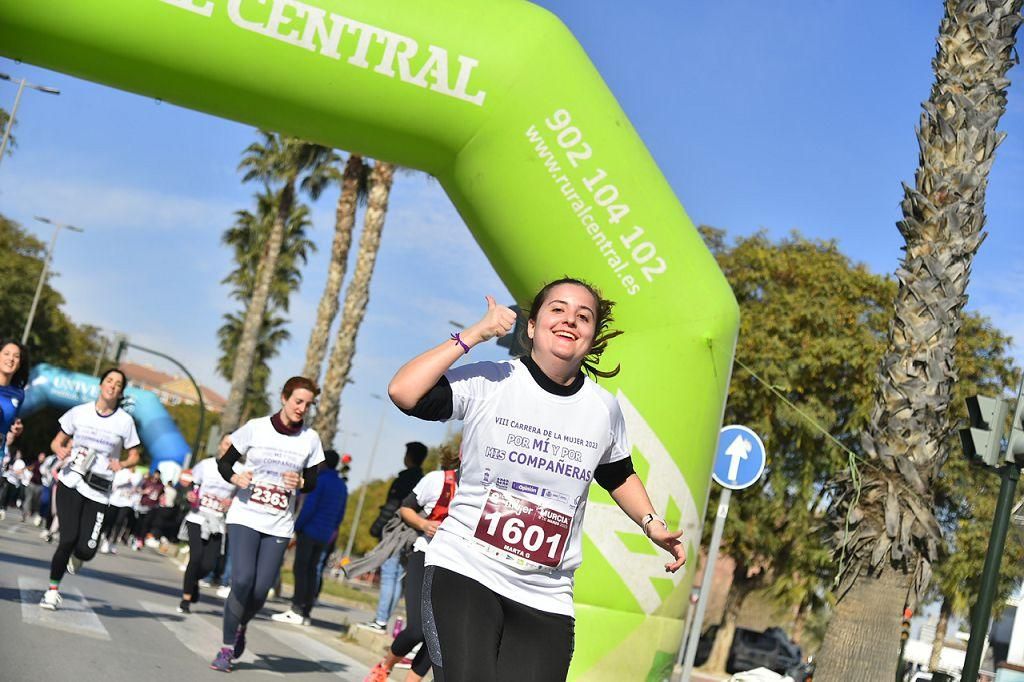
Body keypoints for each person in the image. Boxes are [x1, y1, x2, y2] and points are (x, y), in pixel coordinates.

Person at [388, 278, 687, 682]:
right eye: (557, 310)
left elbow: (618, 474)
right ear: (531, 327)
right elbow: (404, 392)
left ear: (593, 336)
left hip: (545, 592)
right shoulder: (491, 381)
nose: (570, 321)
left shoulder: (603, 409)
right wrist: (473, 334)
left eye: (584, 316)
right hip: (466, 569)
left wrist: (653, 524)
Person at [209, 376, 325, 673]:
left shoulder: (310, 439)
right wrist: (236, 477)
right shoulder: (256, 428)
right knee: (243, 580)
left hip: (279, 524)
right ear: (284, 398)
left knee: (260, 592)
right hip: (245, 515)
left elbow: (311, 481)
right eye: (298, 401)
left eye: (308, 404)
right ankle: (225, 649)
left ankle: (240, 626)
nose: (302, 408)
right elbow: (224, 462)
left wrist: (299, 481)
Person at [41, 368, 141, 610]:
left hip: (99, 489)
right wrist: (60, 450)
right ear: (101, 385)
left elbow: (135, 455)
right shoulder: (80, 412)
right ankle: (52, 591)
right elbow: (57, 440)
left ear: (121, 392)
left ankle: (79, 556)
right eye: (109, 381)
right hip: (71, 481)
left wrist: (122, 463)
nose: (113, 386)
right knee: (68, 539)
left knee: (86, 550)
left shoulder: (125, 422)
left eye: (118, 384)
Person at [364, 445, 460, 682]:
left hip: (456, 567)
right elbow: (405, 508)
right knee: (417, 628)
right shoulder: (436, 480)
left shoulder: (483, 490)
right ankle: (384, 667)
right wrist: (423, 524)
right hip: (425, 556)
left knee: (438, 635)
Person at [272, 448, 348, 625]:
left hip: (309, 530)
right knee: (313, 571)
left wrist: (297, 527)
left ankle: (296, 608)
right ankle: (306, 611)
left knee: (301, 569)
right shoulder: (341, 486)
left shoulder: (320, 481)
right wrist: (332, 531)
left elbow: (309, 508)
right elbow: (340, 513)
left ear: (323, 463)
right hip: (325, 535)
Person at [358, 441, 427, 632]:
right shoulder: (421, 479)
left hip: (396, 532)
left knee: (389, 574)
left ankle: (380, 620)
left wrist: (378, 527)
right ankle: (383, 619)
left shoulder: (405, 479)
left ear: (410, 457)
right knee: (397, 577)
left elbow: (392, 506)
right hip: (411, 535)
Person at [178, 455, 238, 614]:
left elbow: (241, 494)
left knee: (209, 565)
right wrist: (190, 492)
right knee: (196, 557)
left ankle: (193, 582)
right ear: (220, 446)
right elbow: (190, 483)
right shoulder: (206, 464)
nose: (228, 448)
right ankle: (186, 598)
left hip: (217, 521)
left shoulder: (239, 469)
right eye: (225, 444)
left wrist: (232, 502)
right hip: (198, 516)